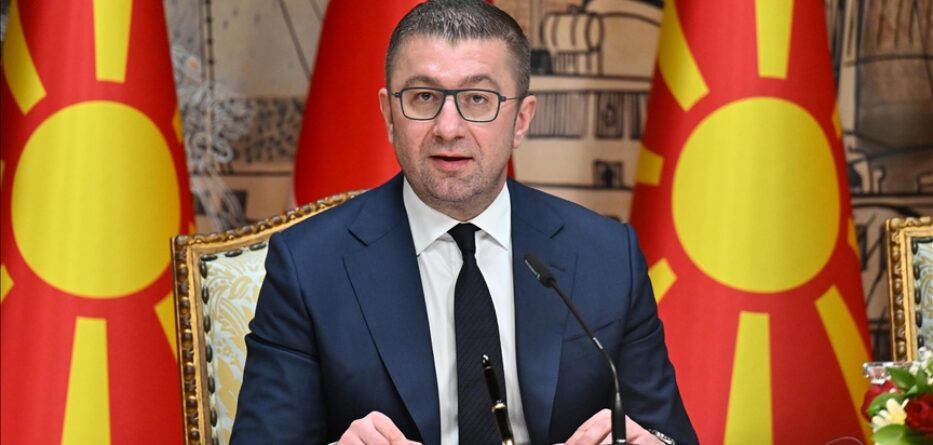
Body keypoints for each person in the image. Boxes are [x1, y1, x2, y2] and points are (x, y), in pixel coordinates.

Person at [231, 1, 696, 444]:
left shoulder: (607, 256)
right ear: (389, 116)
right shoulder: (309, 265)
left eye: (477, 99)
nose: (448, 128)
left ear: (521, 120)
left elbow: (668, 433)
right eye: (424, 97)